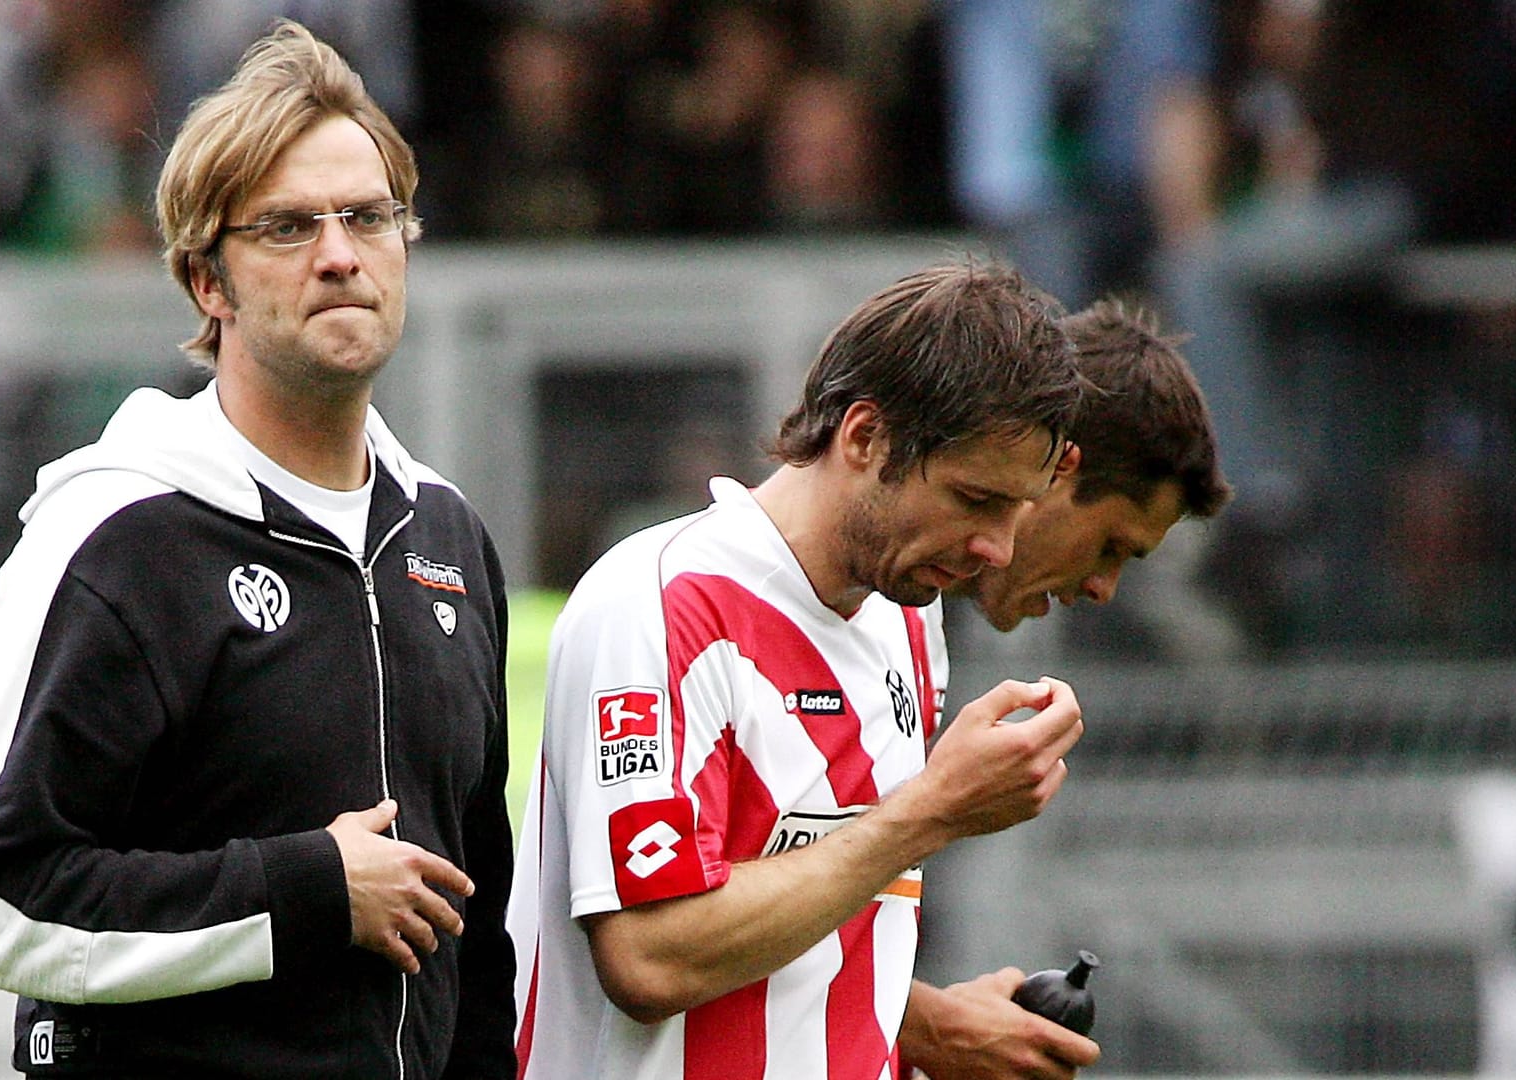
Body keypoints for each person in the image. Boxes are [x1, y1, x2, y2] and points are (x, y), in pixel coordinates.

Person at [0, 20, 515, 1079]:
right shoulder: (118, 532)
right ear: (209, 282)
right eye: (289, 228)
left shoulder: (447, 536)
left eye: (368, 217)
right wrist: (303, 891)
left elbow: (476, 943)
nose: (341, 253)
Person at [509, 259, 1101, 1079]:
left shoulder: (904, 618)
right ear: (864, 437)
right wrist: (931, 810)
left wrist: (930, 1025)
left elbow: (821, 927)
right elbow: (650, 958)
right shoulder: (663, 601)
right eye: (975, 500)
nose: (997, 549)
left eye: (1016, 510)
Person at [971, 298, 1232, 633]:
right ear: (1052, 470)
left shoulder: (919, 626)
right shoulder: (884, 605)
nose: (1103, 589)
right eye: (1110, 548)